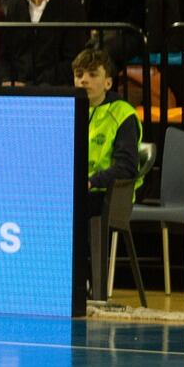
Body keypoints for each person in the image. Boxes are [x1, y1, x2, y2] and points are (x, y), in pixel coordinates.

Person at [73, 46, 145, 305]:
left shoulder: (123, 113)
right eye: (79, 74)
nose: (84, 80)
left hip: (111, 195)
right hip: (76, 192)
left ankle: (87, 291)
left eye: (92, 74)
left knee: (75, 208)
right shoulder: (67, 110)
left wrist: (92, 180)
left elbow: (127, 167)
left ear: (108, 82)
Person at [0, 0, 85, 87]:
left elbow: (72, 61)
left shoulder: (72, 10)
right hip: (15, 88)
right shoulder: (14, 7)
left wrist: (33, 85)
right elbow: (4, 55)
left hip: (52, 90)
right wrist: (7, 81)